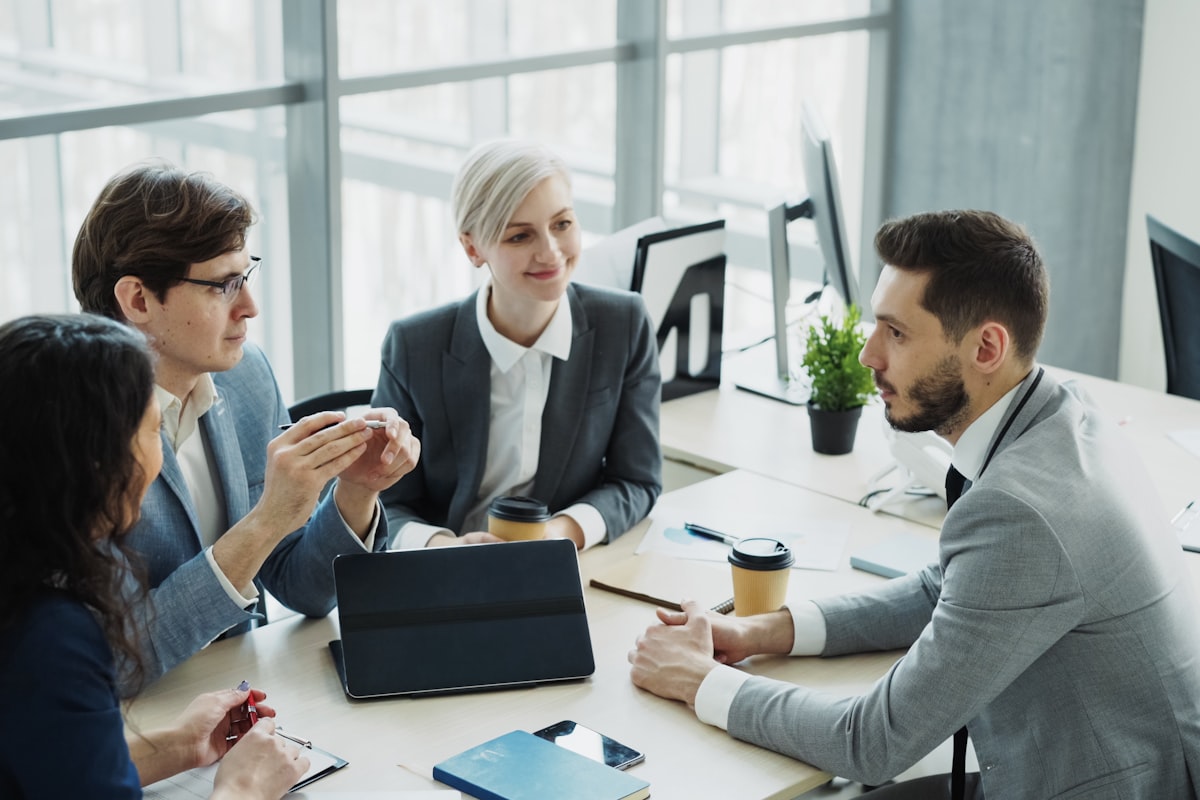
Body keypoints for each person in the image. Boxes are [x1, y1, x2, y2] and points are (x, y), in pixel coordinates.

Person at [628, 210, 1200, 799]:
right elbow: (944, 588)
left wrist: (699, 681)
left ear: (987, 347)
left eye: (896, 333)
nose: (868, 355)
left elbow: (870, 742)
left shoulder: (1023, 512)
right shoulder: (1060, 412)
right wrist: (760, 631)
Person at [72, 160, 421, 687]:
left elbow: (302, 589)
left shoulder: (245, 376)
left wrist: (355, 493)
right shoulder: (66, 428)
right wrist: (266, 520)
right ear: (138, 299)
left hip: (245, 694)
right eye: (223, 286)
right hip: (131, 724)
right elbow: (115, 660)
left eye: (246, 276)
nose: (251, 308)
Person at [0, 313, 308, 799]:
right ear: (97, 460)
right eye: (152, 429)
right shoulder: (55, 636)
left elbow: (48, 763)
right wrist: (243, 790)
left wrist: (176, 747)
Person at [374, 139, 662, 551]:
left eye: (562, 224)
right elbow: (386, 499)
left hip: (564, 565)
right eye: (520, 236)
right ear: (473, 247)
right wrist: (444, 548)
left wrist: (560, 534)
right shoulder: (414, 345)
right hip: (445, 572)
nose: (550, 252)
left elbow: (637, 480)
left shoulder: (624, 323)